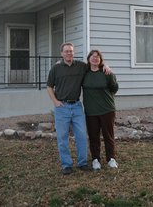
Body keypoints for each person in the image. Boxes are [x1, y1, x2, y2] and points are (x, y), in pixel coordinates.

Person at [46, 42, 110, 175]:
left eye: (71, 51)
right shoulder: (56, 69)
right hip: (61, 107)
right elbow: (49, 87)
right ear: (62, 53)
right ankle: (66, 165)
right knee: (62, 137)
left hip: (76, 107)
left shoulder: (80, 66)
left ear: (73, 53)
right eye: (66, 51)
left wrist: (105, 66)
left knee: (81, 135)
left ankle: (82, 163)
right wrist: (56, 102)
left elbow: (94, 64)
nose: (69, 53)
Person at [82, 49, 119, 170]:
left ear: (100, 60)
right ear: (88, 59)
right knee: (93, 136)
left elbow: (114, 88)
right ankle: (95, 159)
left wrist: (108, 69)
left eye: (97, 57)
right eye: (92, 56)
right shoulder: (84, 73)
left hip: (107, 110)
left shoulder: (106, 73)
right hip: (91, 111)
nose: (95, 58)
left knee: (108, 135)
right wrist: (58, 63)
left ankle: (111, 159)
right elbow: (72, 67)